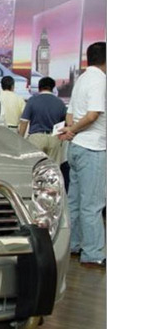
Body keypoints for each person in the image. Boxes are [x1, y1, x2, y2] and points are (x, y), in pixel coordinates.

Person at [58, 42, 106, 268]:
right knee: (92, 205)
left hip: (76, 148)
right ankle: (93, 253)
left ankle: (74, 245)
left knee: (75, 202)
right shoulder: (100, 80)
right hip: (92, 148)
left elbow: (70, 112)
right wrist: (74, 130)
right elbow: (93, 114)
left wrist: (71, 130)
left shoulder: (82, 79)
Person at [18, 77, 67, 164]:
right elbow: (64, 123)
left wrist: (20, 139)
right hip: (54, 138)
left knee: (35, 165)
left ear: (39, 87)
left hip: (36, 138)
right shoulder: (60, 103)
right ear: (53, 88)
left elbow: (24, 121)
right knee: (53, 168)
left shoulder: (32, 100)